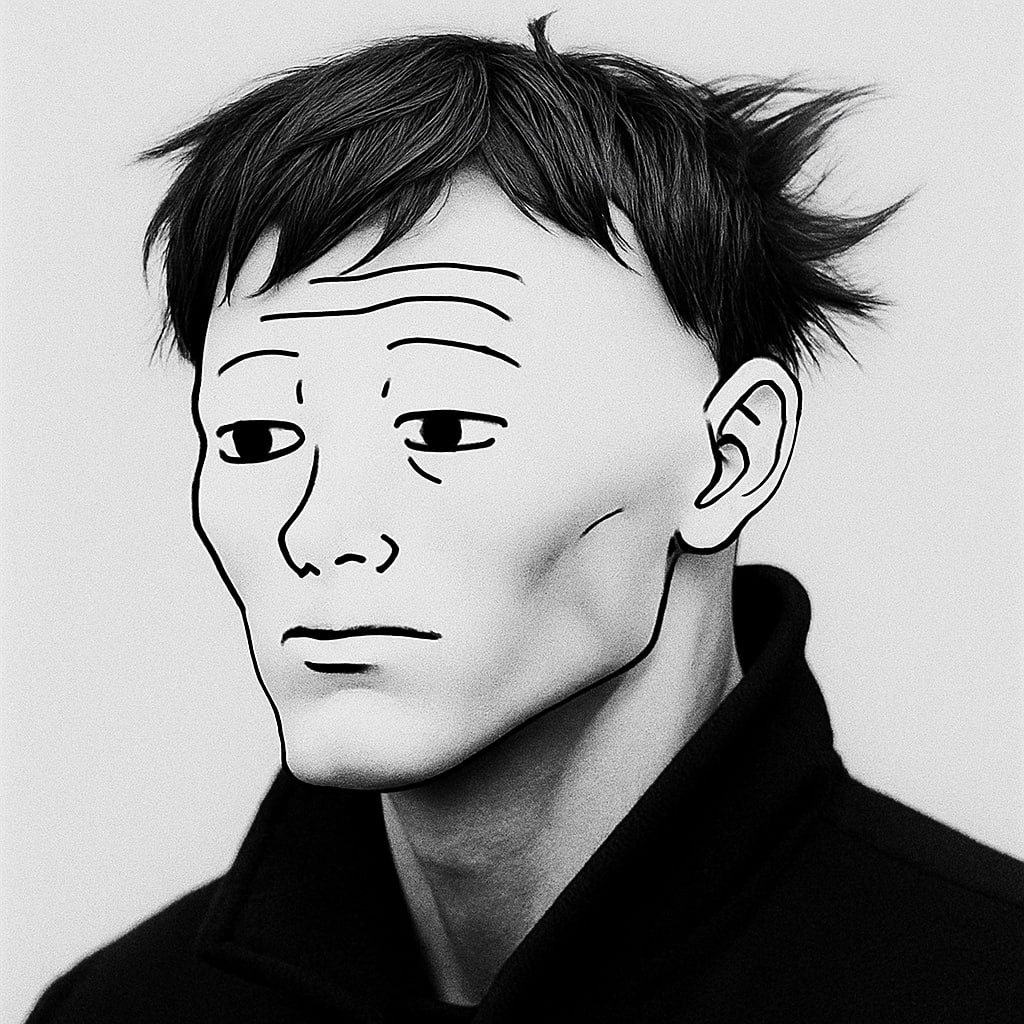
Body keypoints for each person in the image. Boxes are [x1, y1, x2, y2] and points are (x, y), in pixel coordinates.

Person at [27, 17, 1023, 1023]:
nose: (318, 530)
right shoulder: (120, 1010)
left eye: (443, 427)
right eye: (255, 437)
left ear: (731, 456)